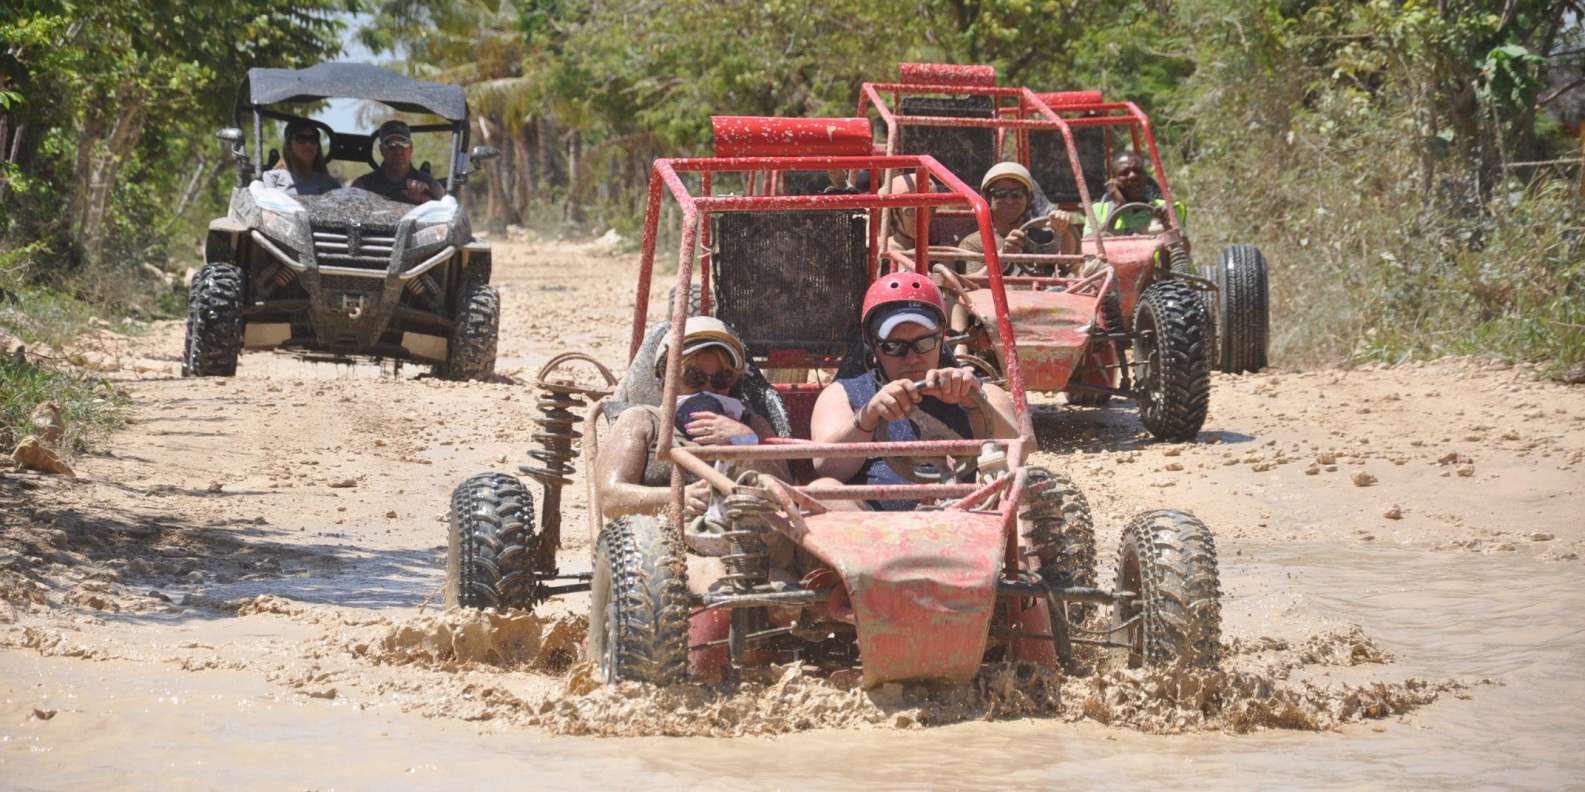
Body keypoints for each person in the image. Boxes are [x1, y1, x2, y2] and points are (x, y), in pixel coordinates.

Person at [809, 273, 1020, 510]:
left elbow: (1018, 457)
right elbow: (825, 467)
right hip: (874, 532)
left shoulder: (982, 392)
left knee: (1025, 485)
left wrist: (974, 404)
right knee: (822, 490)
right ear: (874, 347)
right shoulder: (844, 394)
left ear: (941, 339)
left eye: (924, 343)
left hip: (974, 519)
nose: (912, 358)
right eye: (894, 346)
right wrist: (868, 418)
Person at [592, 316, 780, 523]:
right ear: (665, 381)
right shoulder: (641, 421)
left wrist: (747, 443)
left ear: (733, 384)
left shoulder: (752, 426)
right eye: (693, 378)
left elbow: (785, 495)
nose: (707, 390)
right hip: (658, 543)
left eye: (721, 379)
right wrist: (677, 498)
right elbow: (610, 498)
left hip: (740, 543)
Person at [957, 161, 1080, 274]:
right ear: (988, 199)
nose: (1009, 201)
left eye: (1017, 194)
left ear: (1029, 199)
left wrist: (1063, 230)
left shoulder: (1043, 237)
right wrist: (1002, 257)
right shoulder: (974, 243)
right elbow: (973, 286)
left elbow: (1069, 265)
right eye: (1000, 194)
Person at [1090, 150, 1186, 235]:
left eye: (1138, 171)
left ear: (1145, 176)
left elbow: (1184, 247)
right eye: (1124, 173)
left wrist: (1166, 223)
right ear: (1113, 180)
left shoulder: (1165, 208)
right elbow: (1091, 244)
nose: (1132, 176)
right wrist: (1118, 206)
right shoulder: (1098, 211)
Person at [351, 120, 444, 205]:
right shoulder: (363, 186)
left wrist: (424, 200)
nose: (398, 152)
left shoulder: (430, 185)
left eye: (403, 144)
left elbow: (443, 214)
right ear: (381, 150)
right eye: (391, 145)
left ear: (411, 148)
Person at [263, 119, 340, 196]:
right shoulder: (272, 179)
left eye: (313, 139)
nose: (308, 145)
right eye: (301, 139)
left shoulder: (331, 184)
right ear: (289, 145)